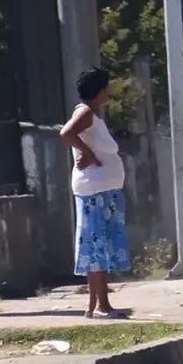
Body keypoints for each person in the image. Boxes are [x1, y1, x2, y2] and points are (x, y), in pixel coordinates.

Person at [60, 67, 131, 318]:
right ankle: (101, 305)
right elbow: (66, 133)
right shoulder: (86, 112)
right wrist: (87, 153)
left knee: (100, 246)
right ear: (99, 89)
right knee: (97, 246)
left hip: (104, 190)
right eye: (106, 87)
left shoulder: (94, 115)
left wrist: (88, 151)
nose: (108, 92)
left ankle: (96, 305)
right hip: (95, 191)